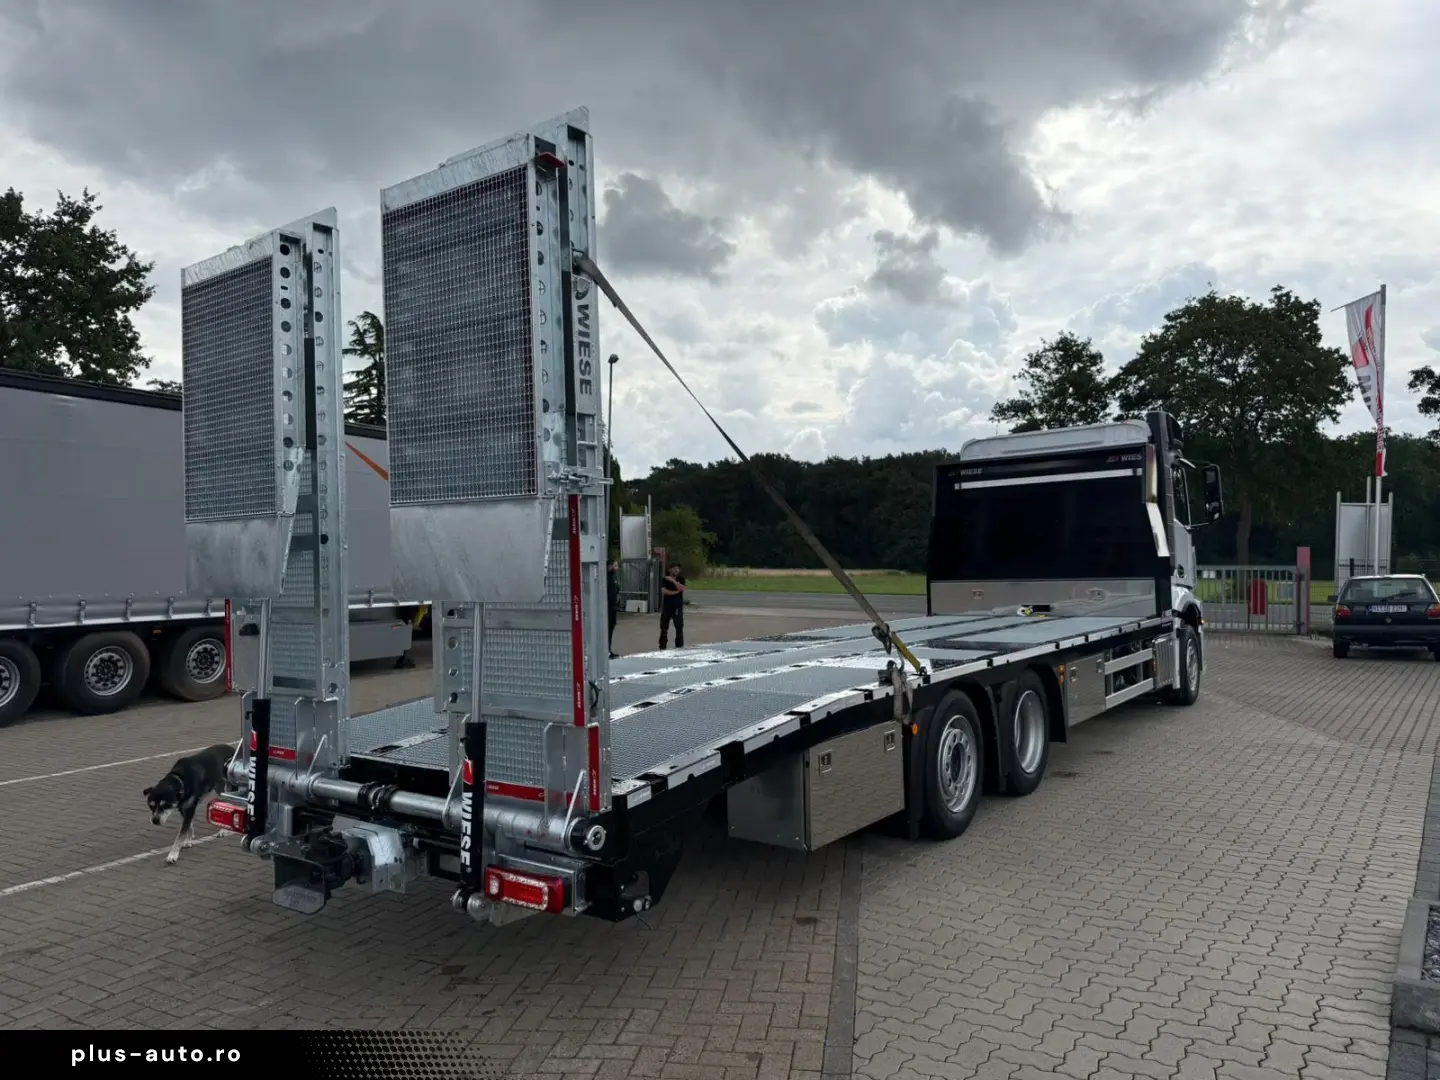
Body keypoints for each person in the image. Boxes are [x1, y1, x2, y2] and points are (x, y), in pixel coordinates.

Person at [658, 563, 686, 649]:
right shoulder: (665, 579)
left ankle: (679, 645)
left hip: (677, 606)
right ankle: (662, 645)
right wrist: (675, 592)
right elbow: (664, 591)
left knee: (679, 626)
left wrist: (673, 581)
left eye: (678, 569)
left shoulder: (681, 579)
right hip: (667, 606)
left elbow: (682, 588)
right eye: (674, 568)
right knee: (664, 627)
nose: (676, 570)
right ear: (670, 569)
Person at [607, 560, 621, 659]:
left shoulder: (613, 577)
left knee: (611, 628)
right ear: (610, 566)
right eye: (615, 565)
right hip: (606, 607)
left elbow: (617, 589)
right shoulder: (605, 577)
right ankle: (606, 650)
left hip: (613, 607)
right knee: (606, 629)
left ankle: (609, 650)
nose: (617, 567)